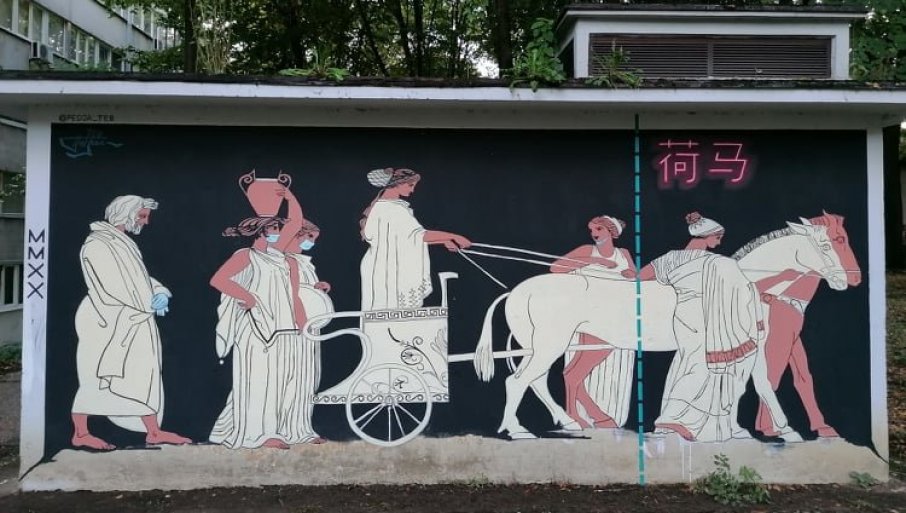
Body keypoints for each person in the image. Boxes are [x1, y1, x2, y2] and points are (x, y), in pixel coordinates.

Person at [71, 195, 191, 450]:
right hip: (109, 321)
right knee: (99, 378)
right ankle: (81, 432)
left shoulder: (123, 243)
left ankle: (153, 432)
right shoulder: (98, 244)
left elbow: (139, 279)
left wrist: (160, 291)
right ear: (126, 213)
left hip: (135, 318)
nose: (145, 222)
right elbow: (115, 286)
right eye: (142, 216)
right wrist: (148, 302)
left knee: (143, 376)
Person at [637, 212, 761, 442]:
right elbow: (746, 289)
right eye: (718, 237)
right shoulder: (721, 263)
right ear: (707, 236)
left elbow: (639, 277)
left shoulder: (670, 258)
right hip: (705, 316)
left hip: (684, 316)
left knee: (687, 362)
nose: (719, 242)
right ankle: (670, 417)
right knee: (699, 365)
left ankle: (694, 421)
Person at [209, 186, 310, 449]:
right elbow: (219, 280)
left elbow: (293, 294)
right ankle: (258, 434)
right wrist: (247, 296)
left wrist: (290, 197)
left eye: (279, 228)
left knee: (280, 380)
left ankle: (270, 430)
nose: (281, 232)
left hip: (283, 325)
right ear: (261, 232)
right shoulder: (247, 256)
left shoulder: (283, 259)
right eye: (275, 228)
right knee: (258, 379)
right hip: (256, 326)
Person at [551, 215, 636, 429]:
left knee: (578, 369)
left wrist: (630, 274)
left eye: (599, 229)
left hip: (616, 313)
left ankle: (589, 413)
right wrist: (595, 261)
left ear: (611, 232)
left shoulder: (624, 253)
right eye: (592, 230)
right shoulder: (586, 250)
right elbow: (555, 268)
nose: (594, 233)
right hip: (591, 313)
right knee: (580, 368)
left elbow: (635, 277)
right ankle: (587, 414)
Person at [359, 167, 471, 310]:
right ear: (398, 184)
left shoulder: (386, 206)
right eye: (410, 185)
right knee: (390, 311)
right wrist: (455, 236)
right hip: (386, 269)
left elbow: (408, 238)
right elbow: (419, 235)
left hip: (383, 266)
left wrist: (444, 240)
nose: (412, 190)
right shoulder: (393, 209)